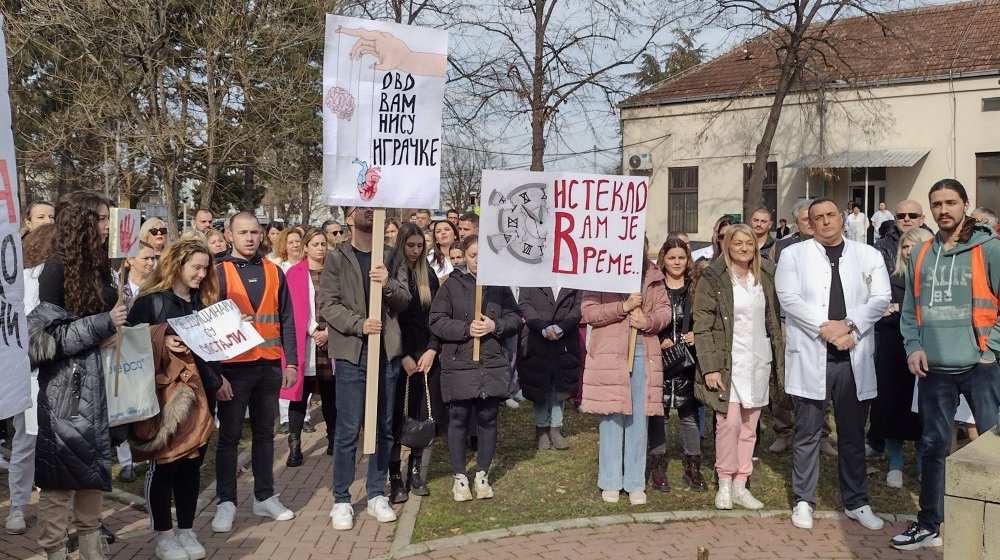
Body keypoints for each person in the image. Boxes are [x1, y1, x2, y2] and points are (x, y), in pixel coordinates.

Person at [892, 179, 1000, 551]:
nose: (943, 210)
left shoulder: (989, 249)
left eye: (951, 202)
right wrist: (913, 347)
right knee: (934, 447)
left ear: (965, 205)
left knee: (991, 449)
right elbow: (909, 311)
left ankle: (992, 526)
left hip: (980, 367)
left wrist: (991, 350)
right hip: (934, 370)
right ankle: (929, 524)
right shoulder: (921, 254)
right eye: (936, 204)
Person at [776, 197, 891, 532]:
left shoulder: (867, 254)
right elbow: (790, 299)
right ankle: (803, 500)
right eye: (817, 218)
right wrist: (828, 329)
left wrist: (849, 325)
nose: (825, 222)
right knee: (808, 432)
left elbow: (880, 297)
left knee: (853, 434)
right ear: (808, 223)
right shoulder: (793, 255)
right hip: (814, 353)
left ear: (841, 218)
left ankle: (857, 502)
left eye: (830, 215)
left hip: (852, 354)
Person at [29, 190, 127, 560]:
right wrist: (102, 325)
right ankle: (54, 551)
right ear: (81, 223)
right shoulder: (55, 270)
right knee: (58, 480)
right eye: (101, 219)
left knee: (93, 473)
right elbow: (41, 341)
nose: (106, 226)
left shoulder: (100, 266)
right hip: (65, 393)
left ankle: (91, 547)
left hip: (101, 386)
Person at [320, 206, 411, 531]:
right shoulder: (336, 257)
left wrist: (387, 284)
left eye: (375, 207)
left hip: (386, 353)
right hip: (352, 353)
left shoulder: (391, 256)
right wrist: (359, 324)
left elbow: (404, 299)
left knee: (384, 425)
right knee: (348, 428)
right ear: (348, 216)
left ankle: (376, 493)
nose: (370, 212)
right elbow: (328, 304)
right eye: (362, 208)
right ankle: (342, 500)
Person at [126, 239, 218, 560]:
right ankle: (164, 534)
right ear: (177, 264)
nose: (202, 273)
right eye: (196, 267)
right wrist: (162, 337)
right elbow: (128, 343)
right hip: (166, 399)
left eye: (205, 268)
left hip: (202, 395)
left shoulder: (202, 302)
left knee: (192, 466)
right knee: (165, 466)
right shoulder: (150, 302)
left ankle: (187, 530)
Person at [211, 212, 298, 533]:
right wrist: (215, 374)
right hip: (232, 369)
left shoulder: (274, 271)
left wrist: (290, 364)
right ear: (229, 236)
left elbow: (287, 319)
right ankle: (226, 501)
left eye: (255, 232)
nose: (250, 238)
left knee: (265, 435)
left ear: (262, 235)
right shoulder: (217, 273)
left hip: (269, 366)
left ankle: (264, 496)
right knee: (229, 437)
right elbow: (207, 322)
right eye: (243, 232)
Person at [694, 225, 783, 510]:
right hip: (726, 361)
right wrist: (709, 367)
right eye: (738, 243)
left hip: (757, 360)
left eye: (749, 243)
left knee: (749, 426)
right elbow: (703, 326)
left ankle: (741, 484)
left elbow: (773, 320)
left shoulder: (765, 276)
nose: (744, 248)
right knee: (728, 423)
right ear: (727, 245)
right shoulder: (714, 278)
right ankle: (724, 482)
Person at [429, 235, 521, 502]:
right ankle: (460, 476)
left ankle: (482, 473)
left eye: (483, 255)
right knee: (458, 418)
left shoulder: (499, 286)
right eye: (472, 255)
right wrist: (465, 329)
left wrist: (495, 326)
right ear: (464, 257)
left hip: (491, 362)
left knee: (488, 419)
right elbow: (436, 321)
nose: (478, 260)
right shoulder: (451, 285)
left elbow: (515, 317)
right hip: (460, 362)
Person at [581, 238, 670, 506]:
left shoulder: (653, 275)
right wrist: (623, 307)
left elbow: (665, 312)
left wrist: (649, 321)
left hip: (644, 352)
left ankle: (634, 482)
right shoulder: (600, 272)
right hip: (610, 353)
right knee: (611, 417)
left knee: (638, 419)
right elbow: (589, 312)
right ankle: (609, 479)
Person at [6, 224, 57, 536]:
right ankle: (17, 505)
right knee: (25, 441)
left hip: (59, 370)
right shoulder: (21, 280)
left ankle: (56, 506)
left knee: (55, 442)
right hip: (29, 372)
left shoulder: (64, 275)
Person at [871, 227, 931, 488]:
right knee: (891, 407)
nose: (908, 251)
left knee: (921, 410)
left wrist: (897, 309)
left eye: (913, 246)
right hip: (893, 351)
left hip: (924, 351)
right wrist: (895, 311)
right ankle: (894, 462)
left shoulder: (932, 279)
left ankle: (921, 462)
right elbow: (881, 315)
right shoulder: (890, 278)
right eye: (904, 247)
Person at [389, 223, 443, 503]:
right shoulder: (393, 276)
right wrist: (402, 355)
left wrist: (433, 348)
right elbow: (390, 320)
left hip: (425, 353)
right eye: (410, 245)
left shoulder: (428, 275)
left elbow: (436, 316)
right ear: (400, 245)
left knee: (422, 414)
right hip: (399, 354)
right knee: (397, 414)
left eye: (420, 245)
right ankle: (394, 474)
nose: (415, 250)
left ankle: (415, 469)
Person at [648, 237, 707, 492]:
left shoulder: (696, 287)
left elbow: (706, 317)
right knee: (658, 414)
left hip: (687, 360)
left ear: (688, 259)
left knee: (689, 415)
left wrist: (697, 333)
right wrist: (659, 339)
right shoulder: (655, 285)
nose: (677, 262)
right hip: (661, 358)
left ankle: (692, 464)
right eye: (672, 258)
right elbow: (650, 316)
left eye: (681, 258)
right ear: (663, 258)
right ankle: (658, 463)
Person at [282, 229, 337, 466]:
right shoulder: (294, 273)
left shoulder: (335, 272)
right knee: (299, 396)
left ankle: (334, 438)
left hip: (331, 339)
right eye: (315, 244)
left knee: (330, 394)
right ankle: (294, 445)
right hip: (304, 341)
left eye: (323, 243)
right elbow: (291, 309)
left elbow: (343, 303)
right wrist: (313, 331)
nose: (320, 248)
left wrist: (329, 333)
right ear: (305, 247)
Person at [518, 281, 583, 451]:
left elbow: (578, 307)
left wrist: (561, 327)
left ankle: (555, 428)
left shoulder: (573, 278)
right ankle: (541, 429)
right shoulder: (533, 275)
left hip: (565, 340)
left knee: (559, 385)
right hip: (536, 338)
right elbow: (524, 303)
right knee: (540, 384)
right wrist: (543, 327)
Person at [114, 241, 159, 484]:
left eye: (153, 258)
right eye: (145, 258)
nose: (151, 263)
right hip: (124, 355)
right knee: (125, 408)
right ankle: (125, 462)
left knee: (148, 406)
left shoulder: (158, 287)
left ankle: (150, 453)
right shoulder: (118, 288)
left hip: (151, 352)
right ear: (129, 260)